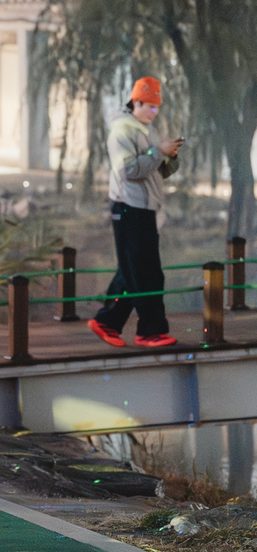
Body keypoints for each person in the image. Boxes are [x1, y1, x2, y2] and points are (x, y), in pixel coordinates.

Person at [89, 76, 183, 348]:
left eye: (157, 108)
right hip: (129, 206)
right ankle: (150, 331)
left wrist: (170, 156)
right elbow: (130, 170)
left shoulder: (144, 129)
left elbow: (154, 170)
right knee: (146, 272)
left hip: (143, 207)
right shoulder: (122, 131)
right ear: (136, 102)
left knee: (134, 269)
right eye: (150, 107)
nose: (154, 112)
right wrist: (158, 151)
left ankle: (107, 321)